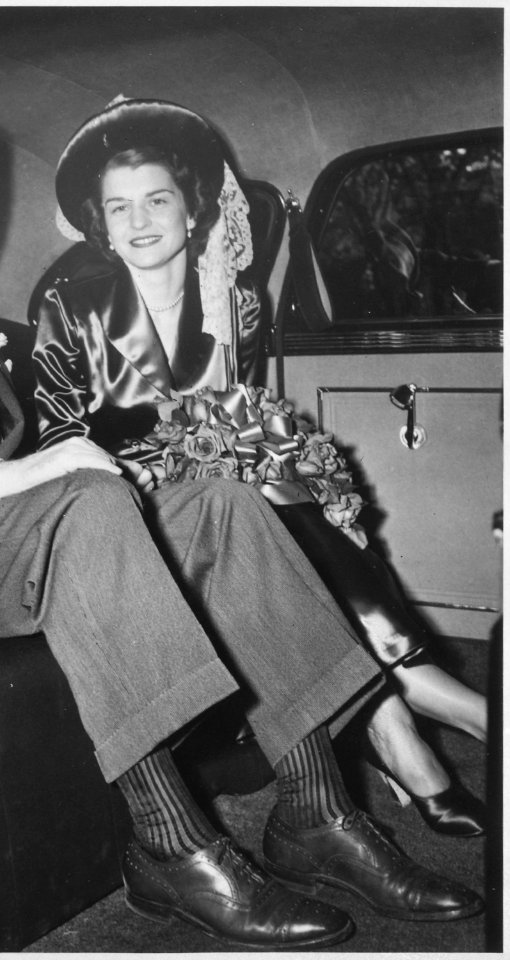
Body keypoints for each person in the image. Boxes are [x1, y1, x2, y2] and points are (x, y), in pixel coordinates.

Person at [0, 96, 482, 951]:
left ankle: (318, 810)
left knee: (219, 501)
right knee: (85, 500)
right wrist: (26, 471)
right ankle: (170, 842)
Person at [32, 97, 487, 839]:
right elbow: (61, 438)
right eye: (119, 209)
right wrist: (142, 472)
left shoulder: (238, 304)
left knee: (270, 480)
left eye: (157, 200)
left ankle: (396, 721)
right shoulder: (69, 304)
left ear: (192, 211)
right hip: (129, 504)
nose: (140, 221)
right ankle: (411, 696)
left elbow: (239, 415)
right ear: (101, 227)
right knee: (258, 485)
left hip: (230, 495)